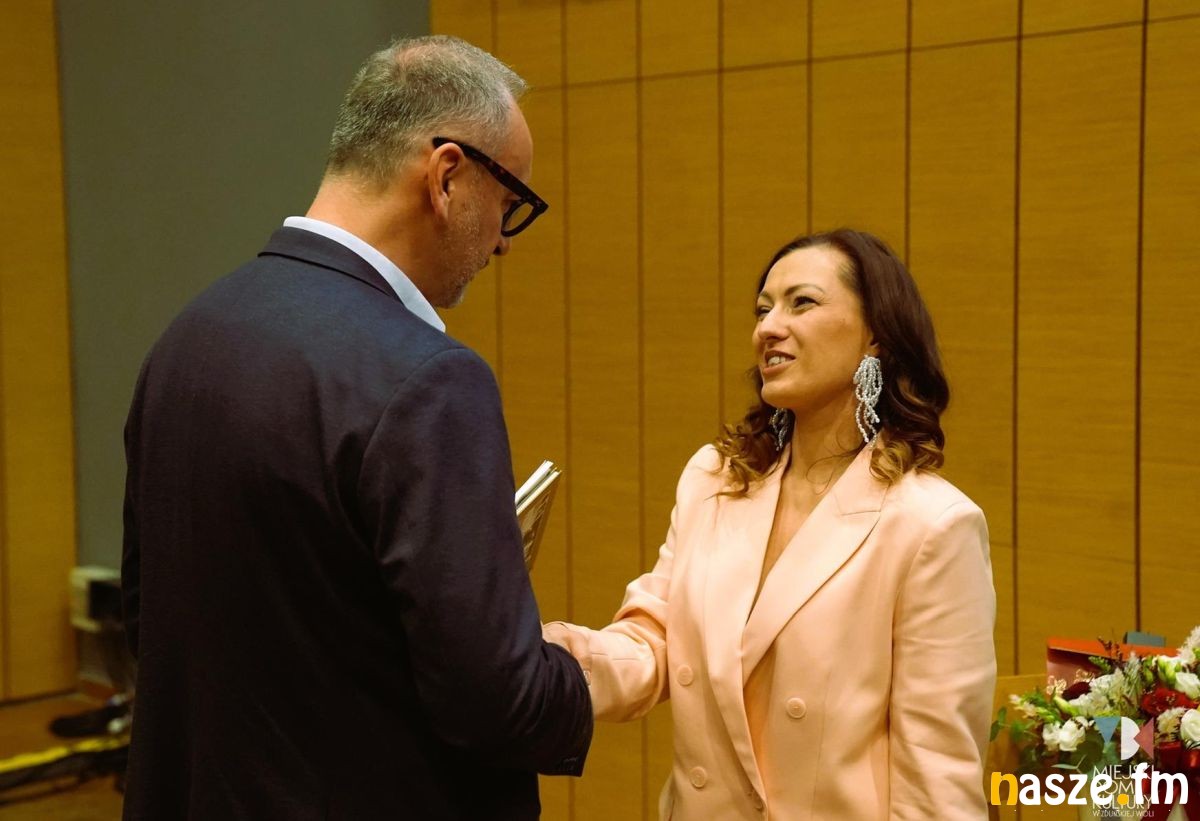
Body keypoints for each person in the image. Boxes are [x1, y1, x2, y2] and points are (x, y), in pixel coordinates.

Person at [121, 36, 591, 820]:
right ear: (447, 176)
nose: (504, 240)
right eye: (509, 203)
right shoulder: (429, 378)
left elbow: (153, 619)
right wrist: (584, 673)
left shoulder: (188, 336)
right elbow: (493, 701)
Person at [545, 229, 996, 820]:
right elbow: (656, 643)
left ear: (876, 336)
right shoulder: (716, 479)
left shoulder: (932, 525)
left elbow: (936, 777)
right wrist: (534, 654)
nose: (768, 328)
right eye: (763, 310)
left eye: (801, 303)